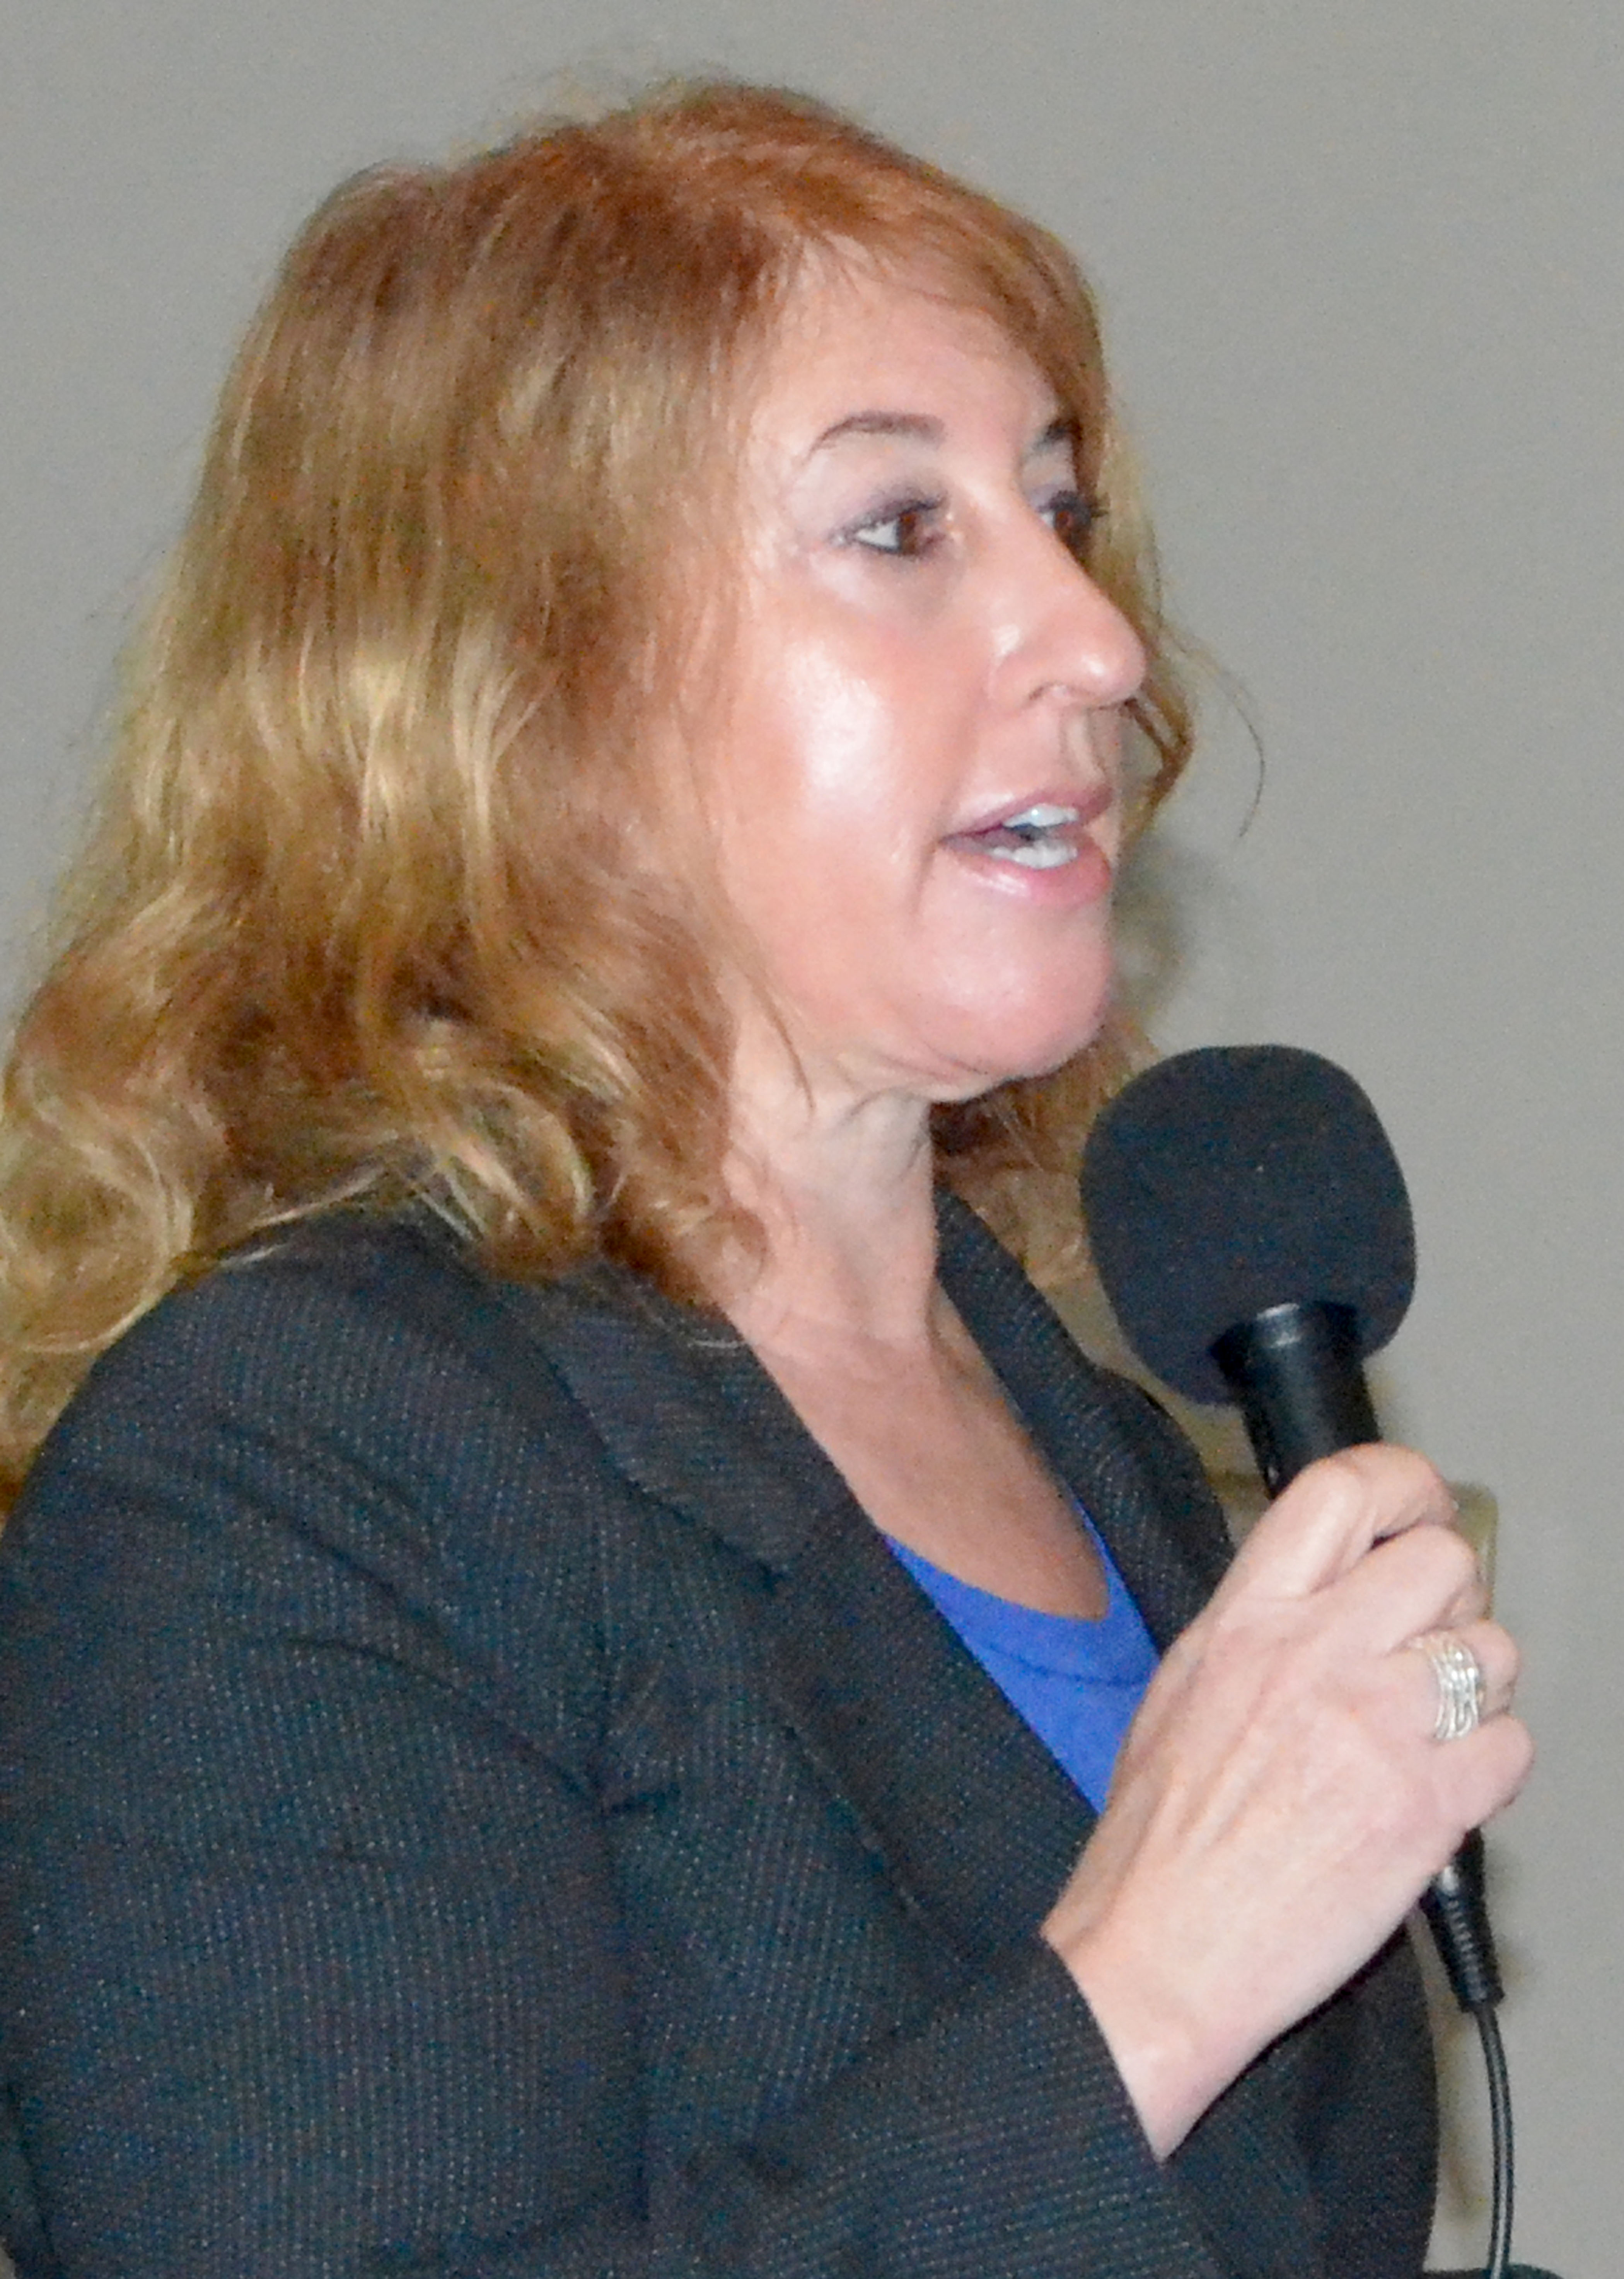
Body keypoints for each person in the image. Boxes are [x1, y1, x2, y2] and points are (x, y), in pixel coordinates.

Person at [0, 82, 1529, 2279]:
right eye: (899, 530)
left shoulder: (1101, 1441)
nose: (1098, 646)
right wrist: (1153, 1985)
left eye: (1056, 510)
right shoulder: (293, 1469)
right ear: (525, 687)